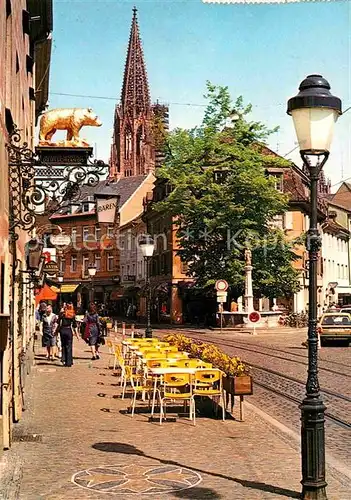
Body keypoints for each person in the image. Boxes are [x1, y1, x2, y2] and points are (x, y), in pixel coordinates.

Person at [56, 302, 79, 367]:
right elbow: (74, 325)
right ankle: (69, 362)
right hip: (69, 330)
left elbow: (58, 322)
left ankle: (64, 360)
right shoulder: (72, 314)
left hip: (62, 330)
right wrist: (77, 335)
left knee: (63, 345)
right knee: (69, 346)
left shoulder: (62, 314)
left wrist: (56, 331)